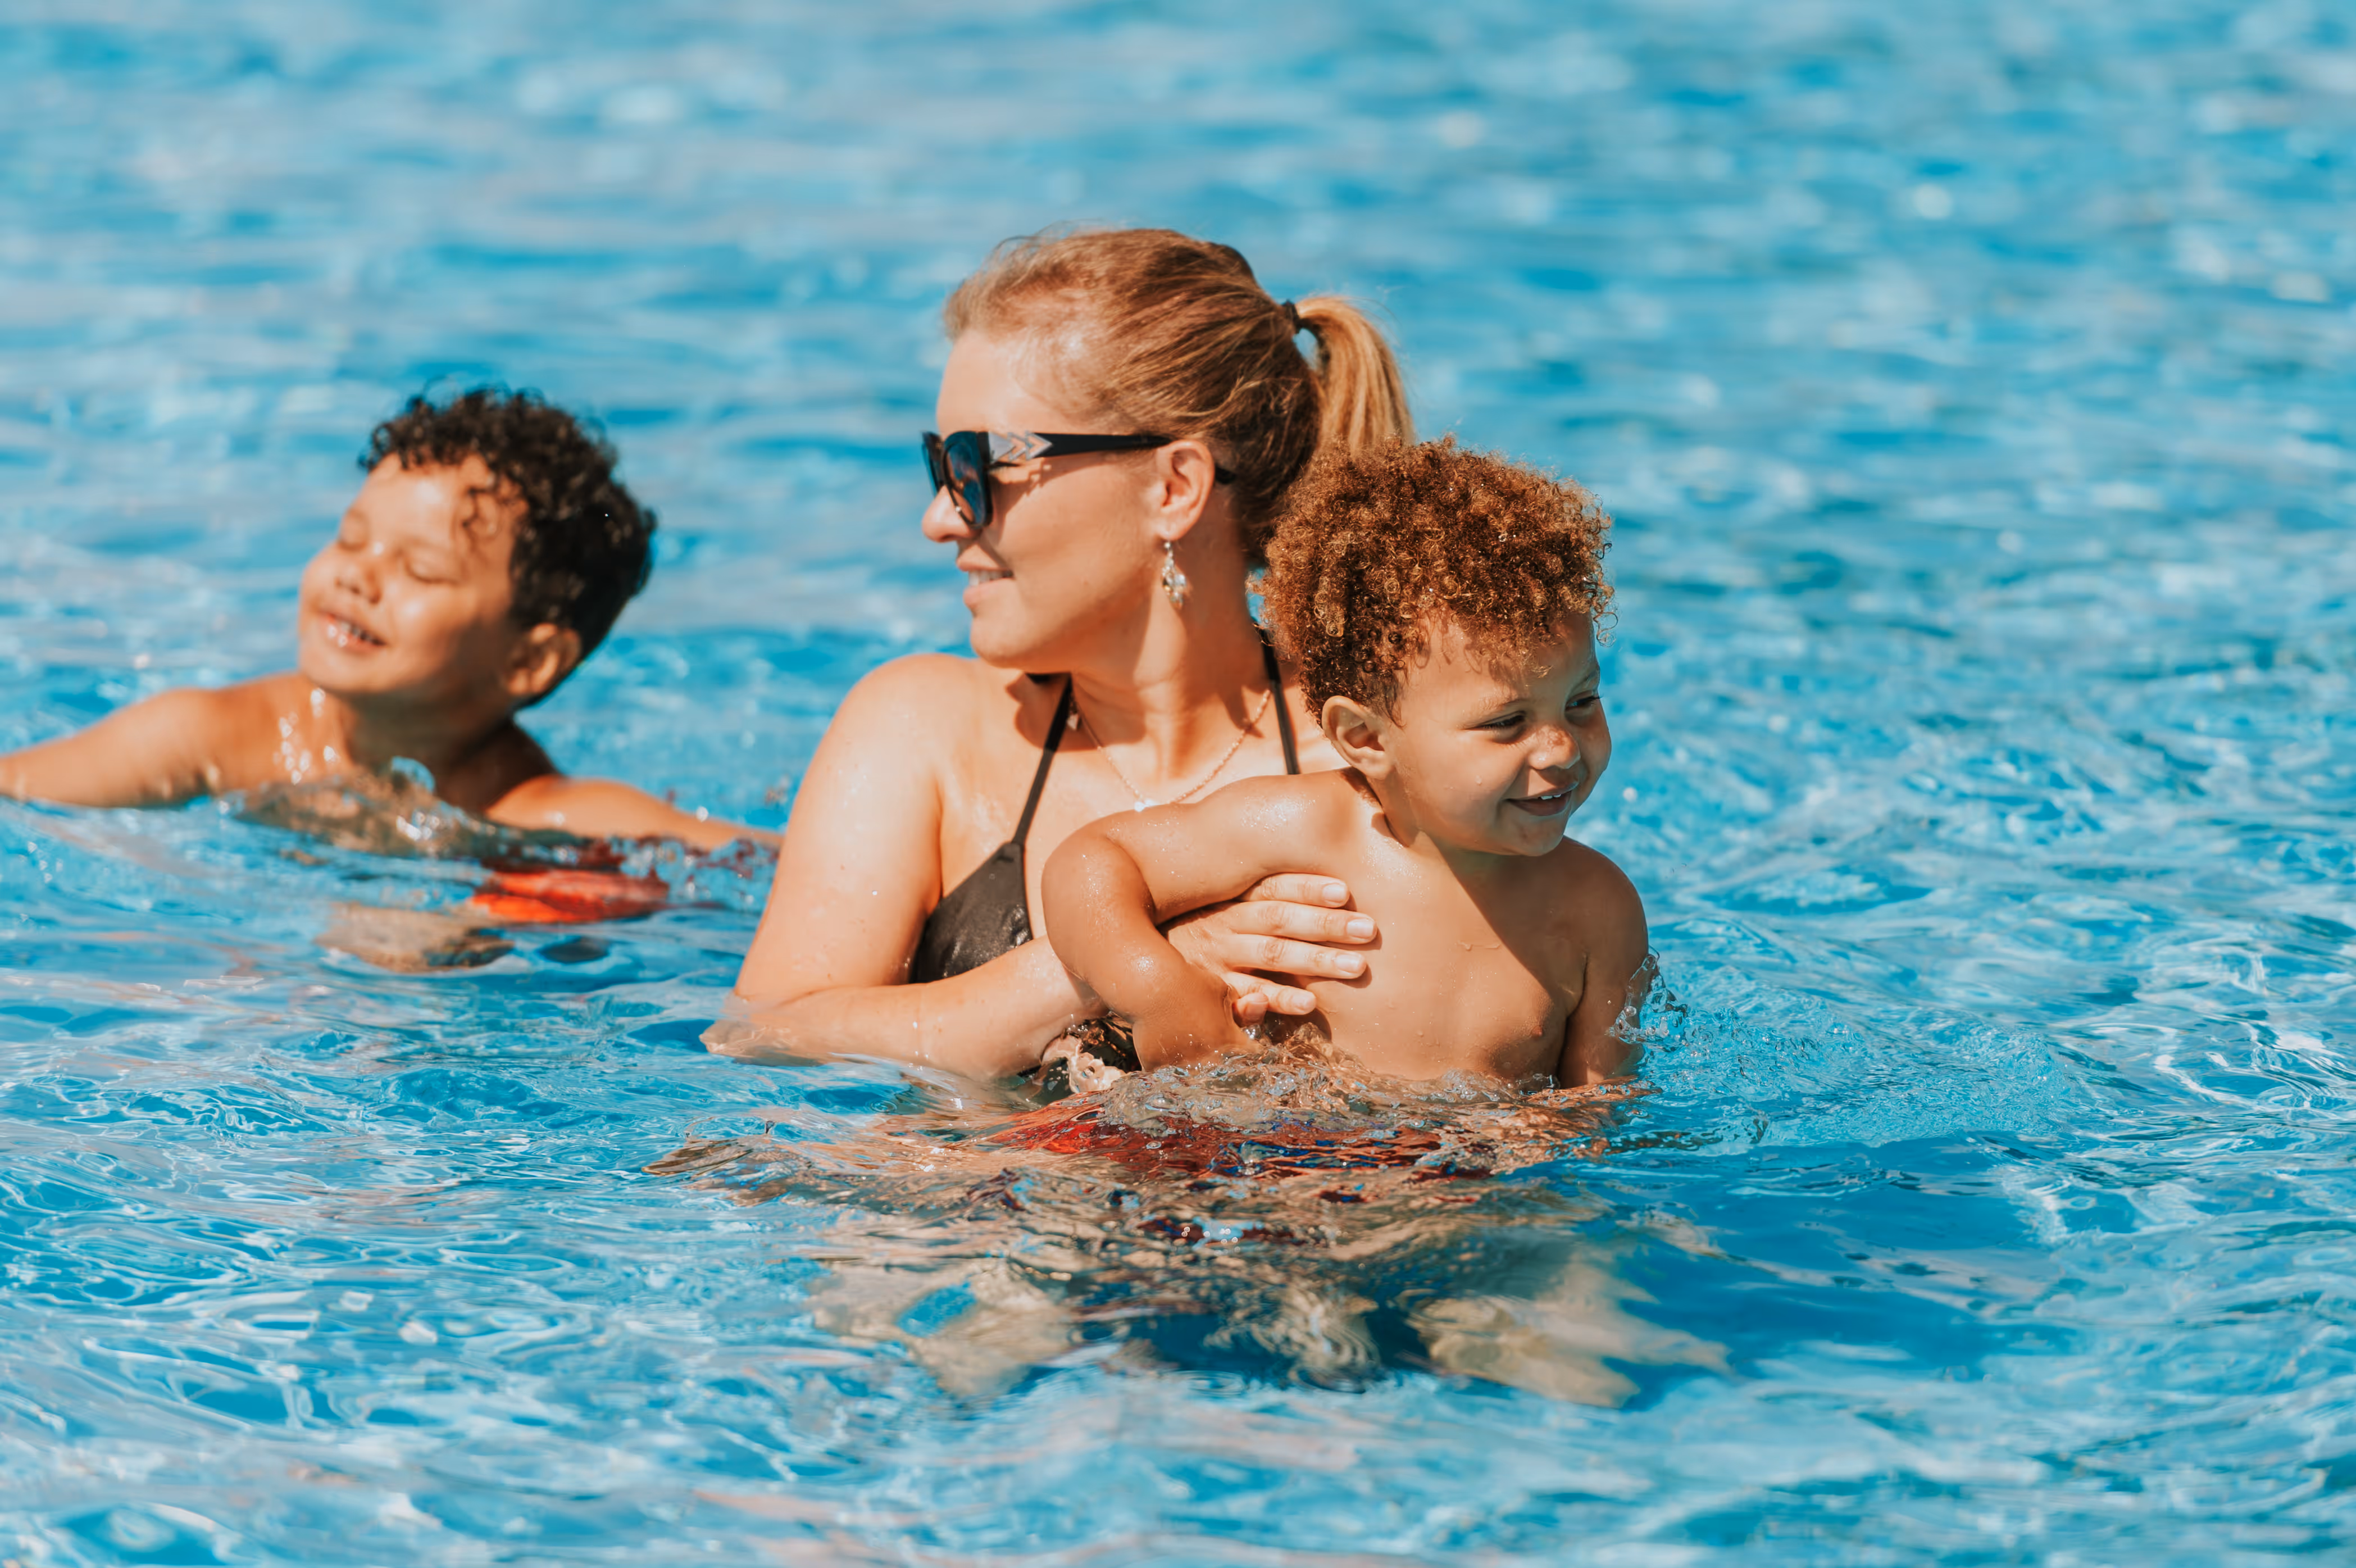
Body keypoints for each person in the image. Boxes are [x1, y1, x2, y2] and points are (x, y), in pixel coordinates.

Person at [720, 228, 1417, 1079]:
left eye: (979, 464)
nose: (940, 517)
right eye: (939, 463)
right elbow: (762, 1035)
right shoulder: (922, 733)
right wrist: (1124, 962)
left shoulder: (1376, 768)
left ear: (1172, 487)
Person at [1042, 440, 1649, 1087]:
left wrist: (1547, 1137)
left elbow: (1598, 1115)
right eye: (1507, 723)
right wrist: (1159, 990)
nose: (1560, 748)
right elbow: (1090, 864)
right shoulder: (1304, 832)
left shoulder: (1597, 911)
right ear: (1366, 738)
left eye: (1582, 701)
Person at [0, 387, 755, 851]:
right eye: (350, 537)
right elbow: (17, 790)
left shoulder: (531, 811)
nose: (357, 574)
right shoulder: (214, 739)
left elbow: (793, 871)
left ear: (528, 662)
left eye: (420, 570)